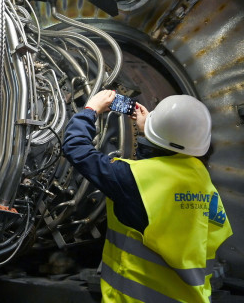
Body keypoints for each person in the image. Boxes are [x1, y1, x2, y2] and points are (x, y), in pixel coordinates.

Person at [62, 90, 232, 303]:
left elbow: (76, 148)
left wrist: (91, 109)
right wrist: (149, 132)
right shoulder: (201, 179)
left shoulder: (131, 178)